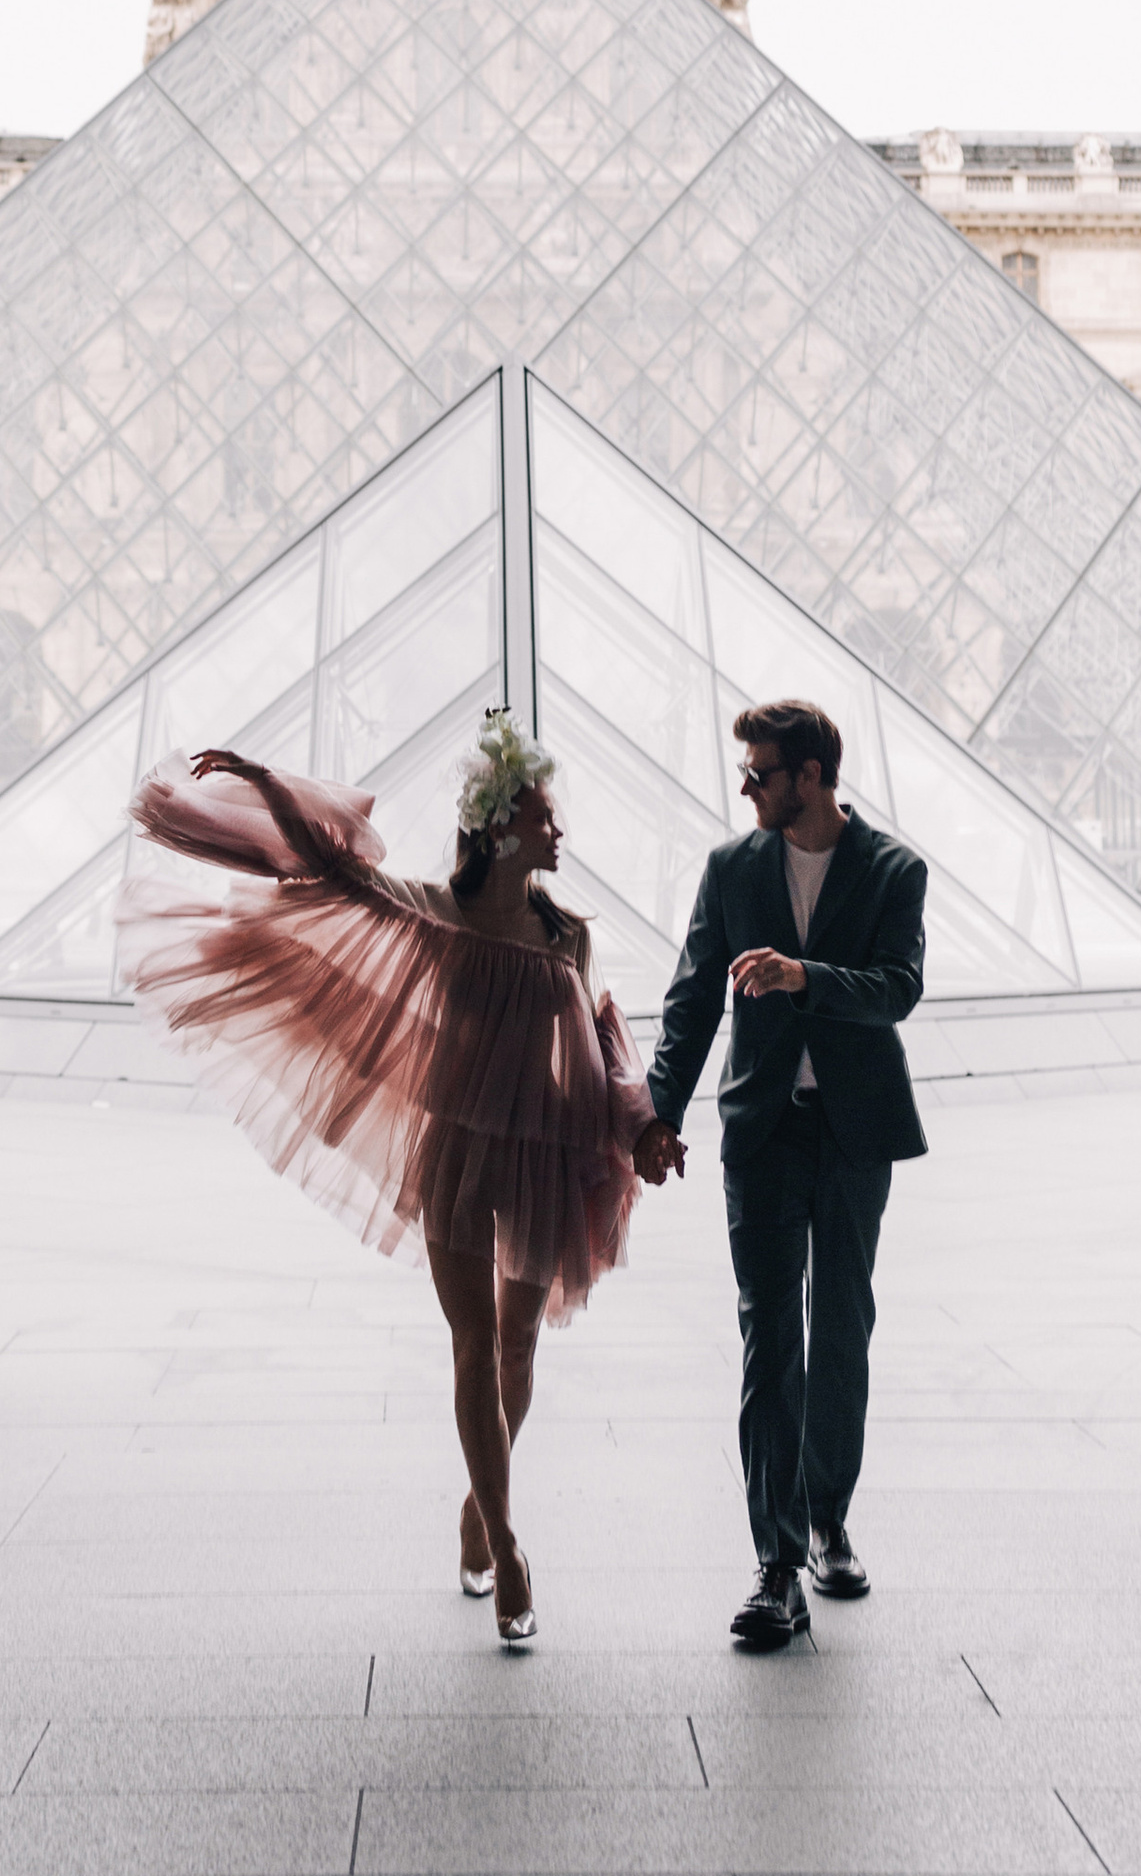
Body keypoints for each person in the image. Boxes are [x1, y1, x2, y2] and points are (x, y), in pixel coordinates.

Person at [115, 707, 660, 1648]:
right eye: (543, 814)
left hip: (546, 1156)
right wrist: (263, 778)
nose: (560, 829)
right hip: (462, 1148)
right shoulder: (436, 911)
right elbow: (328, 872)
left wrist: (646, 1126)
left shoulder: (566, 931)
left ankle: (478, 1509)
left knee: (519, 1350)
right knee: (474, 1350)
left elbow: (609, 1042)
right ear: (498, 830)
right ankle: (508, 1549)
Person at [637, 696, 928, 1649]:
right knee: (771, 1341)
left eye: (761, 771)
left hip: (853, 1134)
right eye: (748, 771)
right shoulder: (730, 870)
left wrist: (806, 977)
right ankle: (775, 1563)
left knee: (841, 1330)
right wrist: (659, 1118)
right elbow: (690, 1006)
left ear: (811, 777)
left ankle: (828, 1520)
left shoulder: (893, 870)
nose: (748, 786)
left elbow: (898, 990)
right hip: (761, 1133)